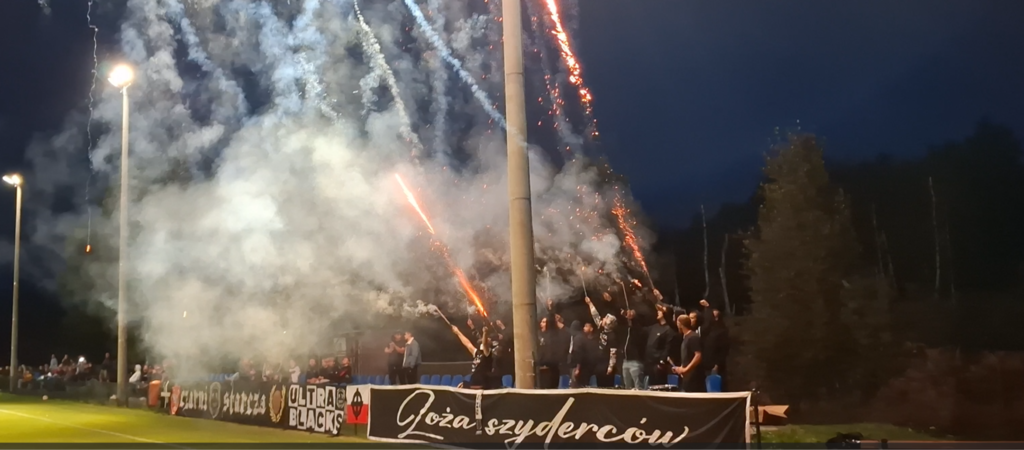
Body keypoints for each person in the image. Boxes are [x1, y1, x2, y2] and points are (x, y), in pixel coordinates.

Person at [584, 296, 618, 388]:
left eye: (606, 318)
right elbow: (595, 316)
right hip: (599, 364)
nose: (603, 319)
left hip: (606, 365)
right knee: (599, 386)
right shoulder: (601, 328)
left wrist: (610, 367)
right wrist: (590, 303)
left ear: (608, 323)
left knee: (607, 387)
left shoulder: (612, 336)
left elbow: (613, 353)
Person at [450, 324, 496, 389]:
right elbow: (467, 343)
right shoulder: (477, 353)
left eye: (488, 339)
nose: (487, 339)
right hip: (475, 381)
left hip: (482, 382)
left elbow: (485, 343)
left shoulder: (488, 354)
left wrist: (485, 333)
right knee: (462, 385)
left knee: (464, 386)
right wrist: (457, 332)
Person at [699, 299, 731, 391]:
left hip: (716, 366)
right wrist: (707, 308)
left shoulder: (722, 330)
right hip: (706, 364)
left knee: (715, 388)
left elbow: (724, 350)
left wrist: (717, 364)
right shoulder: (707, 330)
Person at [537, 300, 569, 389]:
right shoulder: (538, 335)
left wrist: (551, 309)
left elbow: (552, 322)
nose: (543, 324)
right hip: (541, 369)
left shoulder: (552, 334)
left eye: (545, 322)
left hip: (553, 368)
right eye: (542, 322)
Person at [644, 303, 677, 386]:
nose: (658, 312)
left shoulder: (669, 330)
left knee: (659, 386)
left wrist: (662, 362)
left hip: (659, 365)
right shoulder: (654, 327)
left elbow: (668, 347)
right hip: (649, 363)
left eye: (661, 311)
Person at [673, 315, 705, 392]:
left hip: (694, 377)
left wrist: (686, 370)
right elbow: (687, 356)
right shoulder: (686, 337)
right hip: (687, 378)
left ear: (680, 324)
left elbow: (698, 356)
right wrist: (680, 368)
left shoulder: (693, 337)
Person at [620, 308, 646, 389]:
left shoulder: (640, 331)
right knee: (627, 388)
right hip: (625, 361)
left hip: (635, 362)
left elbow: (638, 328)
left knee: (638, 388)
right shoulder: (626, 330)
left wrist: (633, 319)